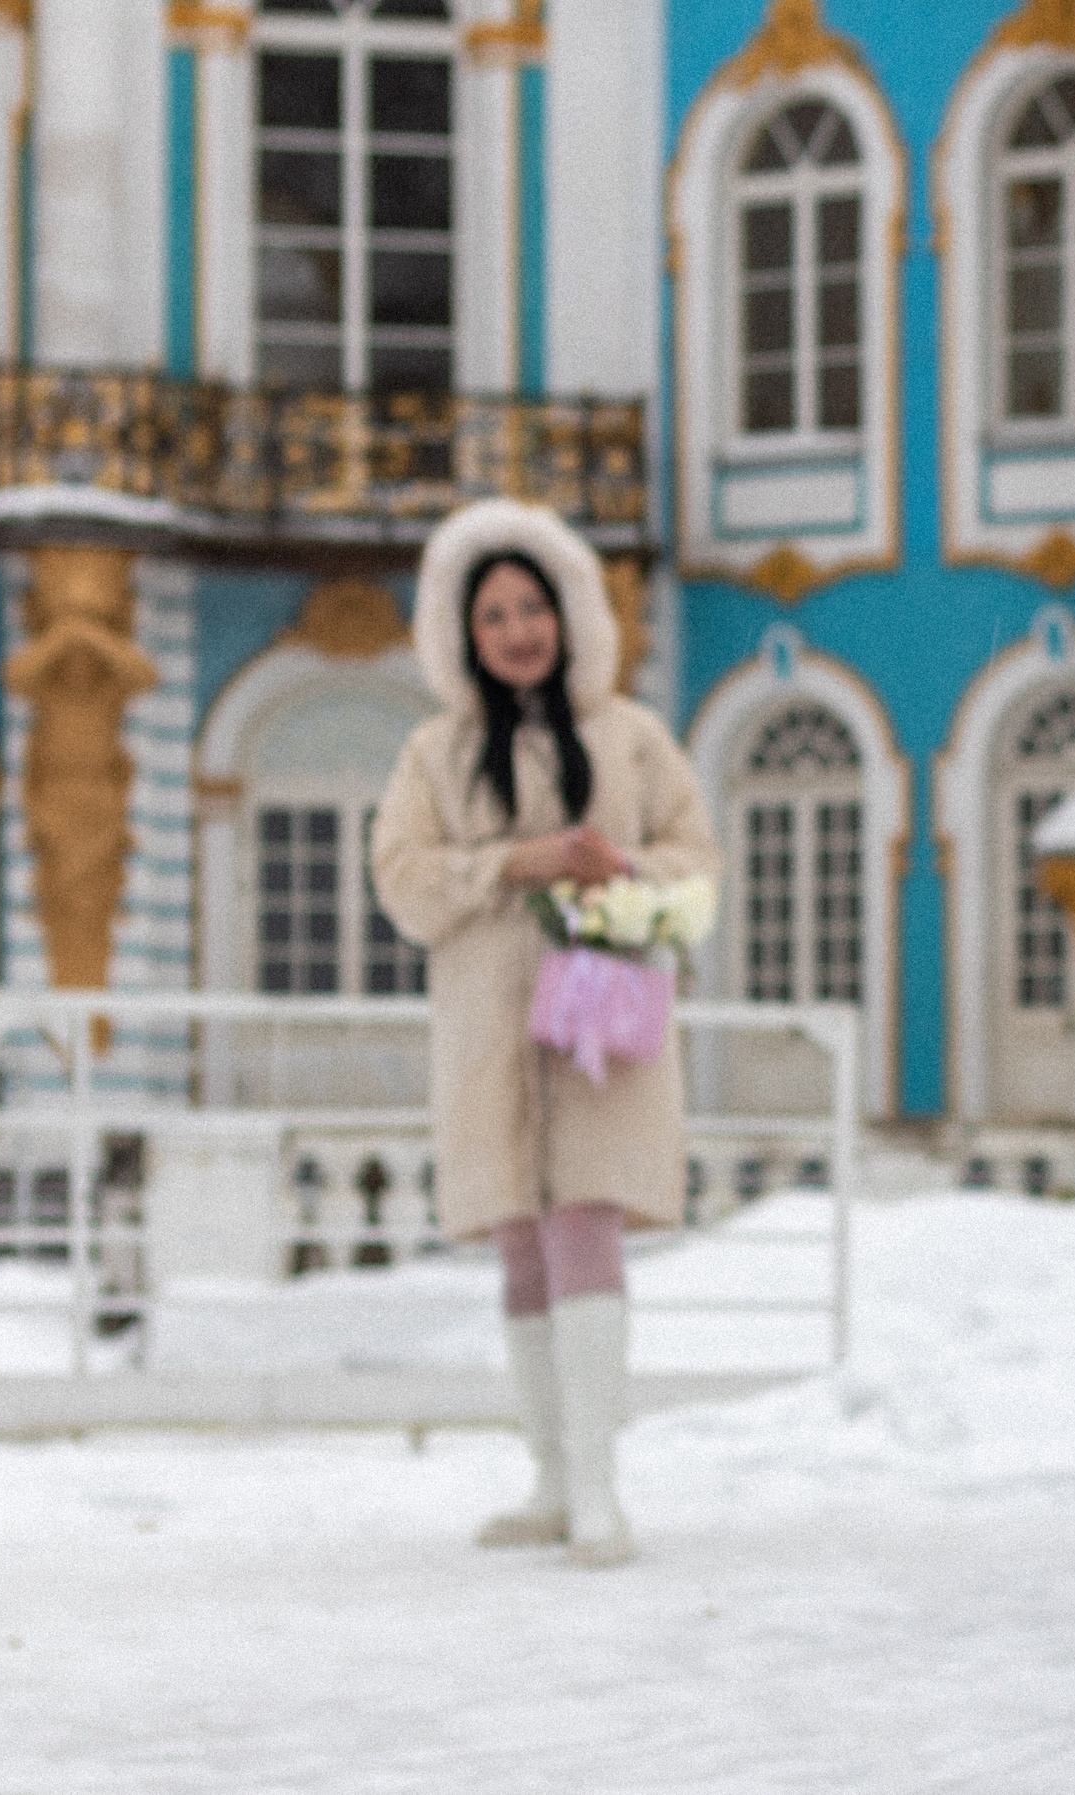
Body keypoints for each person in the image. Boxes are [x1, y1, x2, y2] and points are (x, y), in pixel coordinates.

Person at [373, 498, 720, 1569]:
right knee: (520, 1241)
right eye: (493, 615)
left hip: (600, 1027)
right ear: (463, 634)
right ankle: (552, 1478)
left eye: (532, 607)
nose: (517, 630)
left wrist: (626, 866)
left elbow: (698, 860)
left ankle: (600, 1487)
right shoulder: (435, 753)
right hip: (488, 1033)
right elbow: (400, 877)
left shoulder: (630, 737)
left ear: (568, 615)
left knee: (586, 1223)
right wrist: (513, 863)